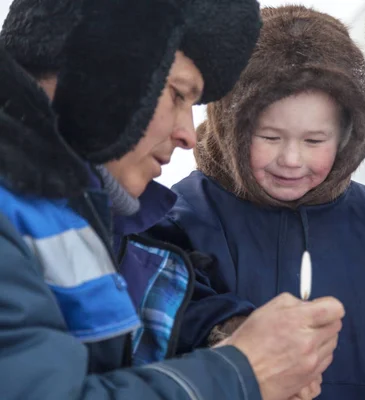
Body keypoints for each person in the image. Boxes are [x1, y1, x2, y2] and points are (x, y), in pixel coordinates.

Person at [0, 0, 344, 399]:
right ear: (100, 61)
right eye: (179, 94)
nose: (189, 135)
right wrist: (243, 371)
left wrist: (224, 331)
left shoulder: (70, 213)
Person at [154, 5, 365, 400]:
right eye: (270, 137)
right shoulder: (179, 216)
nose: (292, 160)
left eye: (314, 140)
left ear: (348, 135)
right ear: (231, 125)